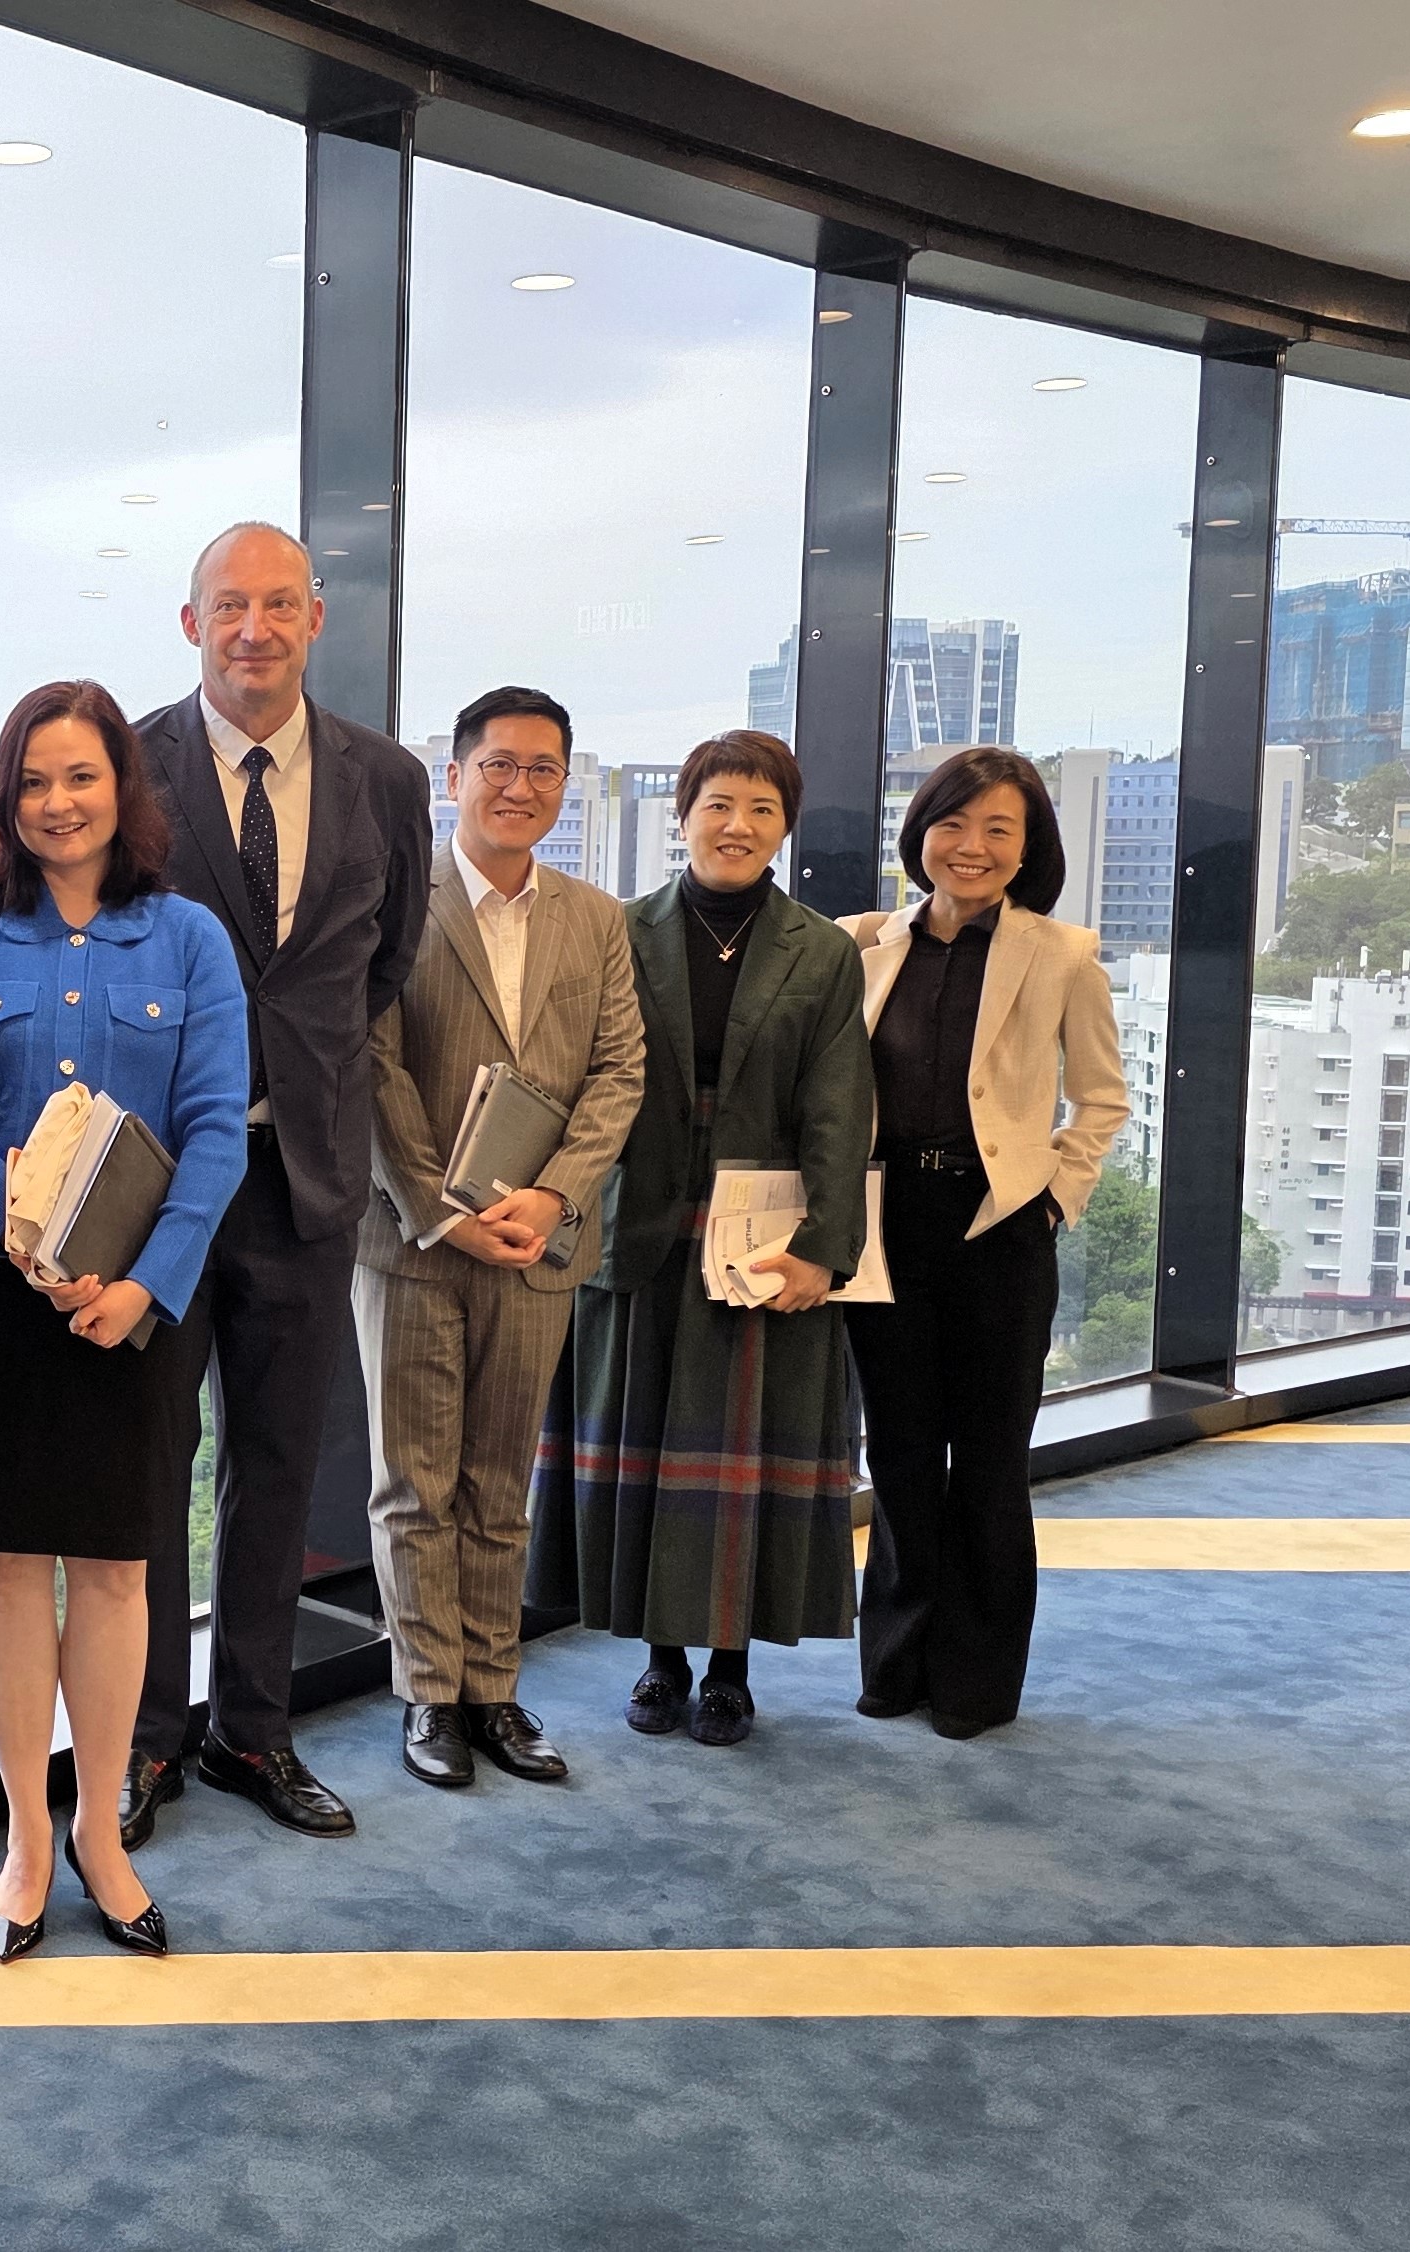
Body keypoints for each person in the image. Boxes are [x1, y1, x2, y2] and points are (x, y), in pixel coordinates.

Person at [0, 680, 250, 1962]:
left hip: (134, 1299)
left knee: (115, 1567)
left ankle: (100, 1829)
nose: (58, 802)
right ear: (8, 800)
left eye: (82, 776)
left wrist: (144, 1282)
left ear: (123, 788)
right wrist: (23, 1228)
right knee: (6, 1567)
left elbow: (215, 1129)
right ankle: (25, 1840)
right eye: (34, 781)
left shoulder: (189, 940)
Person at [123, 522, 432, 1848]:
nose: (254, 628)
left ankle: (252, 1728)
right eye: (228, 604)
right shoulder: (129, 761)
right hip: (156, 1183)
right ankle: (143, 1735)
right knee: (147, 1465)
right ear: (190, 622)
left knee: (278, 1462)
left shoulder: (387, 778)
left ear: (315, 618)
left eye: (278, 604)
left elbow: (382, 961)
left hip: (306, 1174)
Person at [522, 729, 870, 1748]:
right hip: (636, 1222)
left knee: (737, 1462)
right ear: (682, 817)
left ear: (784, 827)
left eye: (761, 808)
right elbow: (576, 1078)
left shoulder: (822, 950)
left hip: (764, 1239)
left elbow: (839, 1107)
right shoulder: (619, 931)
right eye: (718, 803)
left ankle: (729, 1670)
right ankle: (661, 1658)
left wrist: (825, 1245)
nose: (737, 825)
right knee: (648, 1452)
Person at [357, 687, 644, 1790]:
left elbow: (618, 1074)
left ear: (565, 784)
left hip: (537, 1245)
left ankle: (493, 1687)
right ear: (455, 776)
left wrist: (554, 1198)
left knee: (498, 1478)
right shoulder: (399, 902)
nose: (519, 786)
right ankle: (428, 1692)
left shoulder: (596, 918)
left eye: (542, 769)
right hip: (414, 1240)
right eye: (498, 765)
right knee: (414, 1481)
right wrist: (443, 1210)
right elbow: (373, 1065)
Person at [838, 748, 1127, 1739]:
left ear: (1027, 846)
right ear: (920, 833)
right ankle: (898, 1657)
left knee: (991, 1457)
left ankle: (977, 1675)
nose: (972, 846)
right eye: (953, 824)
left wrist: (1054, 1199)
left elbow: (1101, 1098)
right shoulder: (864, 943)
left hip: (997, 1224)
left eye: (999, 829)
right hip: (885, 1225)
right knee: (900, 1450)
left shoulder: (1062, 955)